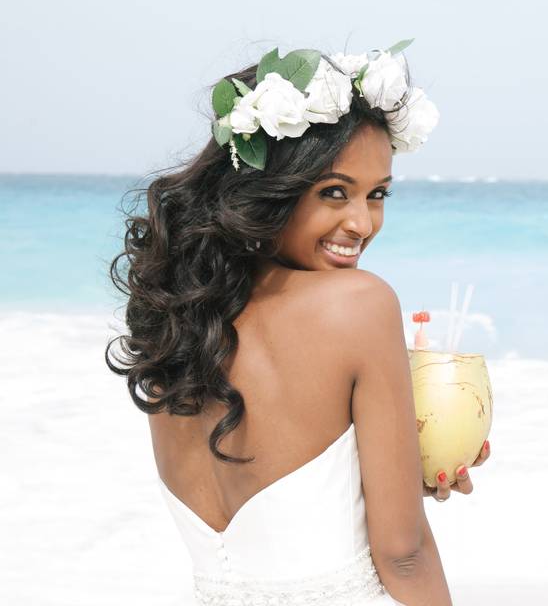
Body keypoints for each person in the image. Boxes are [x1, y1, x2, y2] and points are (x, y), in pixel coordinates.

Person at [106, 42, 490, 605]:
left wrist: (401, 474)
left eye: (378, 194)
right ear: (269, 190)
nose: (362, 222)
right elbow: (403, 554)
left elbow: (278, 513)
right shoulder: (358, 304)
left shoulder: (176, 323)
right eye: (333, 192)